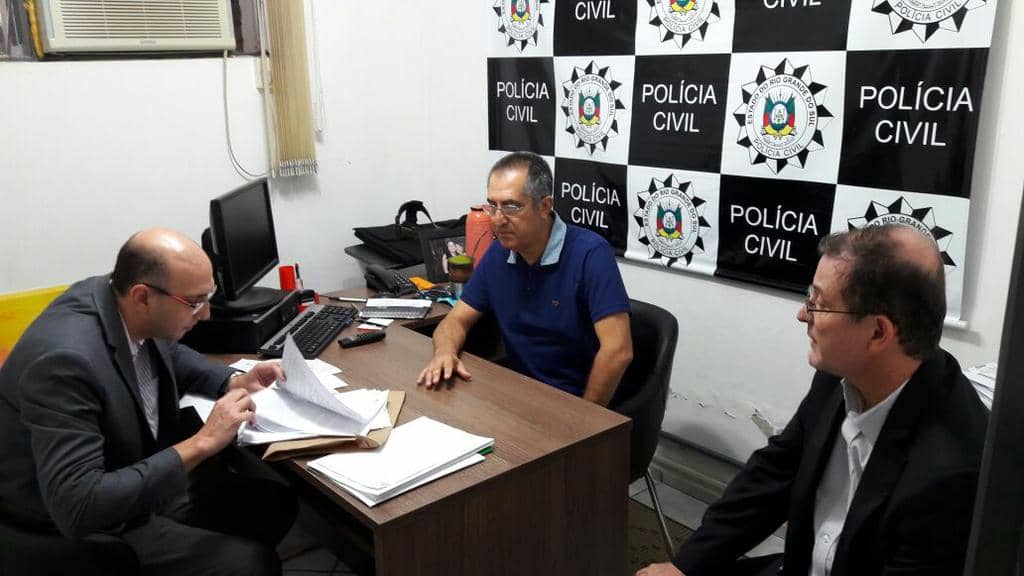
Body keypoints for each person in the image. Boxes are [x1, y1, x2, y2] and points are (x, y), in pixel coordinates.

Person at [637, 224, 989, 576]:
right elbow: (773, 476)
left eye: (820, 304)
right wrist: (684, 567)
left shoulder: (951, 473)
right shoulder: (841, 375)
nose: (803, 314)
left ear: (877, 332)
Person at [0, 228, 297, 575]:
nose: (205, 314)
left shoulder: (116, 297)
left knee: (275, 505)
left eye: (208, 297)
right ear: (143, 297)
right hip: (72, 526)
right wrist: (202, 442)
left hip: (129, 468)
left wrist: (232, 380)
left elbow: (168, 349)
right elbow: (78, 505)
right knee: (253, 565)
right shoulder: (64, 363)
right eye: (195, 302)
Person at [417, 151, 633, 406]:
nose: (498, 220)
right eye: (492, 206)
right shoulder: (499, 253)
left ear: (545, 206)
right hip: (520, 395)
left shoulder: (590, 254)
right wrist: (445, 352)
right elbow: (456, 320)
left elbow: (618, 351)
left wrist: (584, 417)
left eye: (511, 207)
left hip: (575, 401)